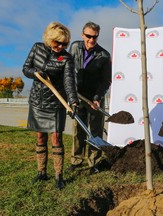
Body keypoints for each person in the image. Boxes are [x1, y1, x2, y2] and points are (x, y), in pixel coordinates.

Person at [22, 21, 79, 189]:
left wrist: (73, 101)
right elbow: (26, 68)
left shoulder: (66, 58)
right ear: (49, 39)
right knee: (40, 136)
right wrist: (35, 73)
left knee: (57, 138)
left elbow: (69, 81)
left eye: (64, 43)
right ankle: (41, 172)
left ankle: (58, 175)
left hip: (56, 102)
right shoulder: (37, 48)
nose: (61, 46)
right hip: (37, 101)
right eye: (57, 42)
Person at [68, 21, 112, 172]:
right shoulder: (74, 47)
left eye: (95, 37)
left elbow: (106, 80)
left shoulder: (104, 55)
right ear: (82, 35)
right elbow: (68, 70)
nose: (91, 40)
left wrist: (97, 97)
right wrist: (71, 95)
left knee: (95, 131)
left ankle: (94, 162)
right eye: (88, 36)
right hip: (77, 97)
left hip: (95, 99)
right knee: (78, 130)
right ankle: (76, 160)